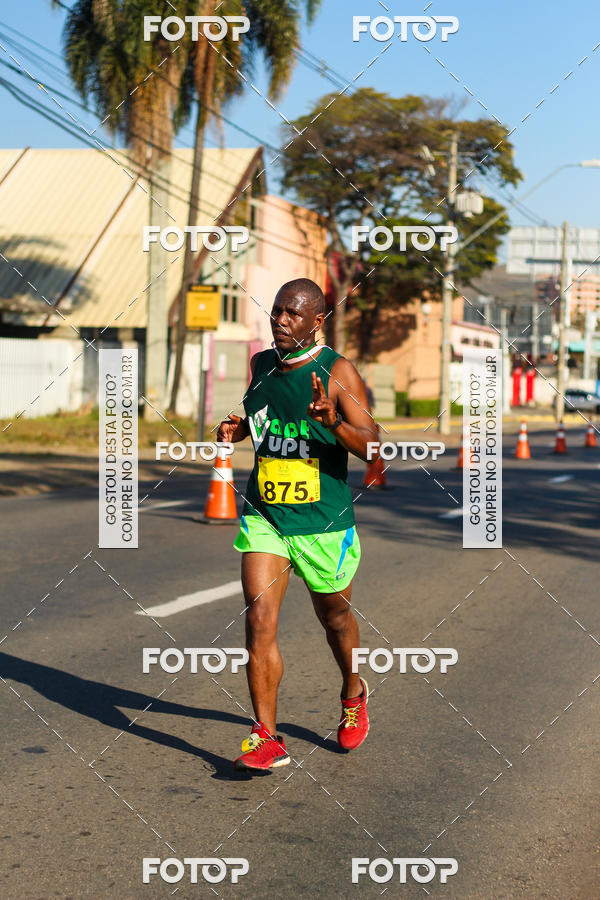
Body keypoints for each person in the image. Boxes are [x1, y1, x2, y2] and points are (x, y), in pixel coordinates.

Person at [217, 278, 378, 772]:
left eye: (293, 313)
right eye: (277, 311)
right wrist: (239, 427)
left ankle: (353, 692)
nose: (281, 320)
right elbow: (262, 410)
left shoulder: (337, 371)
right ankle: (265, 735)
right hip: (266, 514)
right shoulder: (261, 365)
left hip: (323, 522)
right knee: (259, 619)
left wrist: (334, 423)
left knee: (334, 620)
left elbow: (374, 450)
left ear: (316, 322)